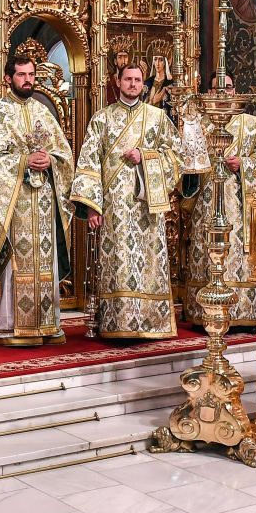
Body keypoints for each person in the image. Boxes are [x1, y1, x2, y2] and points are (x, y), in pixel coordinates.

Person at [69, 62, 182, 340]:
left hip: (147, 206)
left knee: (148, 263)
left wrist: (146, 156)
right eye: (128, 79)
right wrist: (92, 206)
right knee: (118, 263)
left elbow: (176, 156)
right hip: (114, 207)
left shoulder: (157, 118)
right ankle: (118, 324)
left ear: (143, 84)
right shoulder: (102, 119)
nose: (133, 84)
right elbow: (89, 163)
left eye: (138, 80)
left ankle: (151, 323)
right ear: (117, 82)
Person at [0, 57, 75, 346]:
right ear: (8, 78)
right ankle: (11, 326)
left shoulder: (43, 112)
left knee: (46, 263)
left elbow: (65, 156)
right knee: (15, 264)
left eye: (31, 74)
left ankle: (46, 324)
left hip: (44, 205)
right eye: (21, 74)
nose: (27, 80)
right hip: (13, 205)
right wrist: (23, 162)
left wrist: (50, 160)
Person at [177, 79, 256, 328]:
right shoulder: (199, 124)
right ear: (210, 92)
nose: (223, 92)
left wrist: (244, 163)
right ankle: (203, 312)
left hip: (240, 206)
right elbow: (184, 160)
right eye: (218, 88)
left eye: (228, 87)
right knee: (206, 252)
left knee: (238, 254)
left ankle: (243, 314)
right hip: (206, 204)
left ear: (235, 90)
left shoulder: (252, 124)